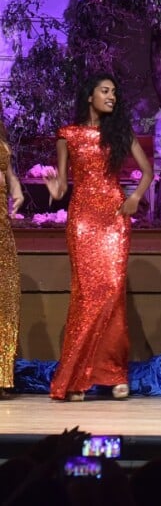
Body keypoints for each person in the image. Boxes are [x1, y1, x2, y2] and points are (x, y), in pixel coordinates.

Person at [44, 73, 153, 401]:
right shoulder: (68, 134)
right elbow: (63, 186)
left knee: (112, 292)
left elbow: (147, 171)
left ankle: (113, 372)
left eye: (114, 92)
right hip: (83, 219)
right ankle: (79, 374)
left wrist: (134, 198)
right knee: (87, 294)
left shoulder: (118, 132)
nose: (112, 97)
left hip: (114, 218)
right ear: (89, 95)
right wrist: (55, 189)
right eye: (105, 91)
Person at [0, 112, 24, 396]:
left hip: (2, 231)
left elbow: (7, 171)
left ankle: (3, 375)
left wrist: (15, 186)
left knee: (6, 299)